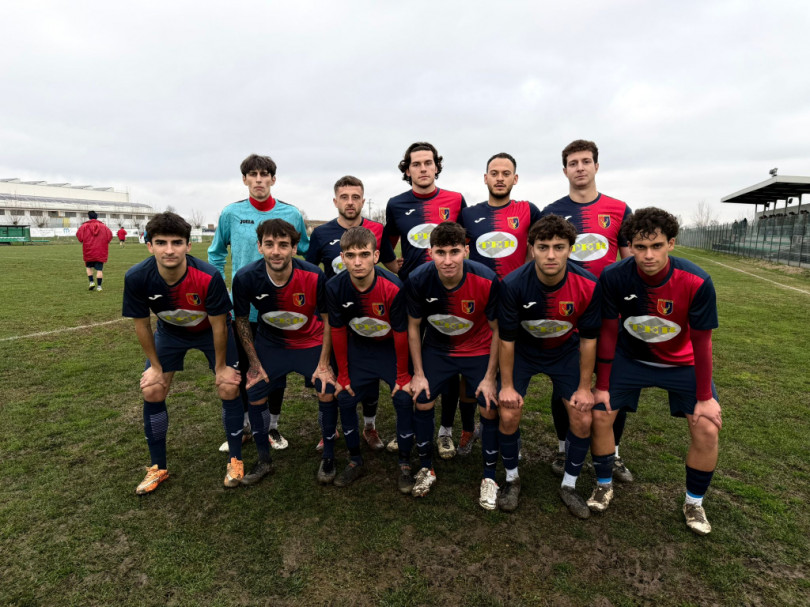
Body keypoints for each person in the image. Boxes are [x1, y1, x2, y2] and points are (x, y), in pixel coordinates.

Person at [590, 207, 722, 535]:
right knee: (601, 413)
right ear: (630, 246)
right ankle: (603, 484)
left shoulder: (696, 280)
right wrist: (602, 385)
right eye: (640, 247)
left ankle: (694, 502)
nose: (648, 255)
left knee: (707, 427)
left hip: (682, 363)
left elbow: (702, 342)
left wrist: (705, 397)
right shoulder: (614, 276)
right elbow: (609, 332)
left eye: (657, 246)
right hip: (630, 359)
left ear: (671, 244)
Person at [122, 212, 242, 494]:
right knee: (152, 389)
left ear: (188, 245)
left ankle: (236, 459)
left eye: (176, 242)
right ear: (149, 245)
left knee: (228, 385)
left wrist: (221, 366)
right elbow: (142, 325)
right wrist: (155, 367)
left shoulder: (208, 276)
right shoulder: (137, 277)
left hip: (210, 331)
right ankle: (158, 467)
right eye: (161, 242)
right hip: (171, 333)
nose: (169, 250)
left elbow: (219, 325)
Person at [541, 139, 634, 483]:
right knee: (564, 384)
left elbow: (629, 263)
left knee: (613, 386)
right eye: (573, 163)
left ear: (596, 166)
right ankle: (564, 447)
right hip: (566, 314)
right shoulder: (552, 211)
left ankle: (612, 453)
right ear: (564, 170)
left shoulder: (620, 209)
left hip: (609, 313)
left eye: (585, 161)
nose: (579, 168)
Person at [498, 215, 601, 515]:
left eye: (559, 247)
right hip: (524, 351)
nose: (551, 255)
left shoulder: (588, 285)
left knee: (582, 416)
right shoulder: (512, 284)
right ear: (532, 249)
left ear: (571, 249)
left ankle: (569, 485)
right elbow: (506, 340)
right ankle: (512, 479)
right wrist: (507, 386)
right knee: (508, 412)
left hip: (564, 352)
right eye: (543, 247)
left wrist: (584, 387)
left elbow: (589, 341)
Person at [208, 154, 310, 452]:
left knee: (275, 372)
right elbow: (216, 254)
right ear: (244, 180)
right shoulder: (231, 213)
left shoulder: (291, 213)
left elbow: (305, 251)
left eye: (264, 174)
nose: (259, 179)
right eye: (252, 174)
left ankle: (272, 427)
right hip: (242, 310)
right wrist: (223, 293)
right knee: (241, 370)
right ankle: (244, 427)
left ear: (273, 179)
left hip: (280, 309)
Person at [382, 142, 470, 459]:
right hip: (413, 292)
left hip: (451, 293)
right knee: (409, 361)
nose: (422, 168)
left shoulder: (455, 200)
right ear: (407, 170)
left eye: (428, 163)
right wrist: (395, 268)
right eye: (416, 164)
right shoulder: (396, 204)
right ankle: (407, 426)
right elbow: (386, 242)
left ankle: (445, 431)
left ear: (436, 166)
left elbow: (466, 242)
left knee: (450, 360)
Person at [231, 219, 335, 485]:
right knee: (255, 391)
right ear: (259, 247)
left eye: (283, 245)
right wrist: (254, 363)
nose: (276, 251)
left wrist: (324, 363)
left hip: (310, 341)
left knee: (326, 388)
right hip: (271, 344)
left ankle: (329, 456)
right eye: (269, 244)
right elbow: (241, 321)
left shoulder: (314, 275)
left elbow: (328, 319)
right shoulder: (245, 277)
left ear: (294, 248)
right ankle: (264, 460)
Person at [405, 222, 499, 500]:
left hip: (477, 349)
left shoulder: (486, 279)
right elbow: (413, 327)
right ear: (430, 253)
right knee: (422, 399)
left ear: (466, 251)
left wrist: (490, 377)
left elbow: (498, 330)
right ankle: (426, 468)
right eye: (441, 252)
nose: (448, 260)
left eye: (454, 252)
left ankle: (490, 477)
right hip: (439, 350)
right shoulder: (418, 279)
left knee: (489, 405)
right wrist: (418, 373)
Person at [306, 176, 397, 451]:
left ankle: (369, 426)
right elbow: (310, 270)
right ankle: (330, 428)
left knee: (369, 376)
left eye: (355, 197)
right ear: (335, 201)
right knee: (334, 373)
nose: (350, 202)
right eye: (344, 197)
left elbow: (391, 266)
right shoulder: (321, 233)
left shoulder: (377, 230)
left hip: (371, 314)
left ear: (362, 200)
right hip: (337, 314)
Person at [325, 226, 415, 490]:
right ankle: (355, 460)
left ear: (376, 256)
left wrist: (403, 375)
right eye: (351, 255)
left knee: (403, 397)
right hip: (360, 349)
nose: (357, 262)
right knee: (344, 396)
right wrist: (343, 375)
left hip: (389, 349)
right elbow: (337, 332)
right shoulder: (334, 287)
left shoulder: (394, 286)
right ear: (342, 258)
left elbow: (401, 333)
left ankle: (405, 462)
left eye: (364, 254)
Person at [461, 153, 541, 278]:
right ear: (486, 178)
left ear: (515, 179)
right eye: (494, 174)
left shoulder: (529, 210)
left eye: (506, 174)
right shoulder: (467, 214)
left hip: (516, 286)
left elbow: (544, 245)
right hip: (481, 286)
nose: (500, 178)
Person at [76, 210, 113, 291]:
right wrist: (105, 241)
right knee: (99, 269)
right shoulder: (104, 227)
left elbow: (79, 236)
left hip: (88, 250)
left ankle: (91, 282)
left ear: (89, 217)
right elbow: (110, 236)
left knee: (88, 267)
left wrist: (83, 240)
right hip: (100, 251)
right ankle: (99, 286)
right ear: (97, 217)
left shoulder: (84, 226)